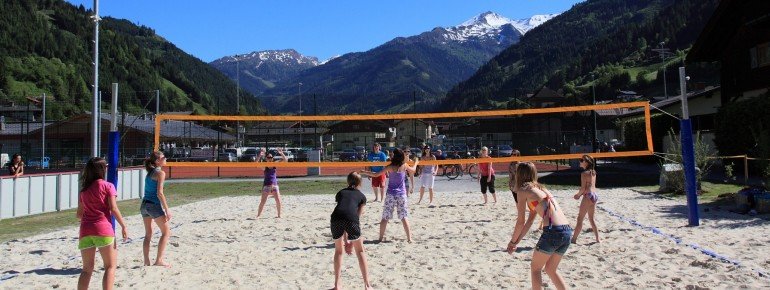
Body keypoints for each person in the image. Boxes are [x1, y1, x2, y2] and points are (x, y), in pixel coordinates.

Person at [507, 162, 573, 290]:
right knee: (550, 269)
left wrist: (512, 242)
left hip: (553, 231)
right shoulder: (541, 188)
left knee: (535, 269)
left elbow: (520, 221)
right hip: (567, 231)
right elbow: (530, 222)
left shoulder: (523, 190)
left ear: (519, 175)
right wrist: (516, 242)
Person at [77, 157, 128, 290]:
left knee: (86, 269)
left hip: (85, 230)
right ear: (102, 169)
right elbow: (113, 208)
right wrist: (123, 225)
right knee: (110, 267)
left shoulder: (84, 190)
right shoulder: (108, 186)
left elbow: (79, 215)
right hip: (103, 229)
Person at [360, 148, 418, 243]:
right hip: (401, 194)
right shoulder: (404, 165)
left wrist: (364, 172)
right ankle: (409, 238)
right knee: (404, 217)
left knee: (385, 218)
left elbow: (376, 174)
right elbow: (414, 170)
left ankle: (380, 238)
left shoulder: (390, 167)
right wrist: (416, 163)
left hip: (391, 194)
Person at [330, 172, 372, 290]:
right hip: (351, 219)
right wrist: (351, 243)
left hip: (335, 218)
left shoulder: (341, 193)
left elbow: (343, 211)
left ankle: (337, 285)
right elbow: (355, 218)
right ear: (360, 183)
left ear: (348, 182)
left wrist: (346, 241)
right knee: (360, 251)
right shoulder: (362, 196)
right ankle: (367, 285)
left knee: (338, 251)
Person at [141, 151, 172, 268]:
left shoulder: (149, 173)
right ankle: (159, 260)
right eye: (164, 157)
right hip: (153, 205)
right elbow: (160, 193)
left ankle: (146, 261)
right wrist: (167, 209)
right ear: (157, 161)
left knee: (148, 234)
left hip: (144, 205)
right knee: (166, 232)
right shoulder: (160, 173)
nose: (166, 159)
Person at [571, 154, 600, 244]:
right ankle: (597, 239)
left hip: (587, 196)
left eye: (581, 160)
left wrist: (578, 195)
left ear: (586, 163)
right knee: (591, 219)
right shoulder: (593, 172)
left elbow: (583, 188)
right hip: (594, 196)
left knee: (580, 219)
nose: (580, 161)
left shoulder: (584, 173)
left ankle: (573, 239)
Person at [257, 149, 287, 218]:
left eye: (271, 157)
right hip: (267, 186)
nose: (270, 159)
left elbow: (285, 160)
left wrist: (281, 153)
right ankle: (258, 215)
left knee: (278, 201)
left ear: (272, 158)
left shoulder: (274, 164)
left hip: (274, 186)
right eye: (268, 157)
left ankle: (279, 215)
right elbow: (256, 163)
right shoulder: (265, 166)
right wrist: (259, 155)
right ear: (266, 159)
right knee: (263, 202)